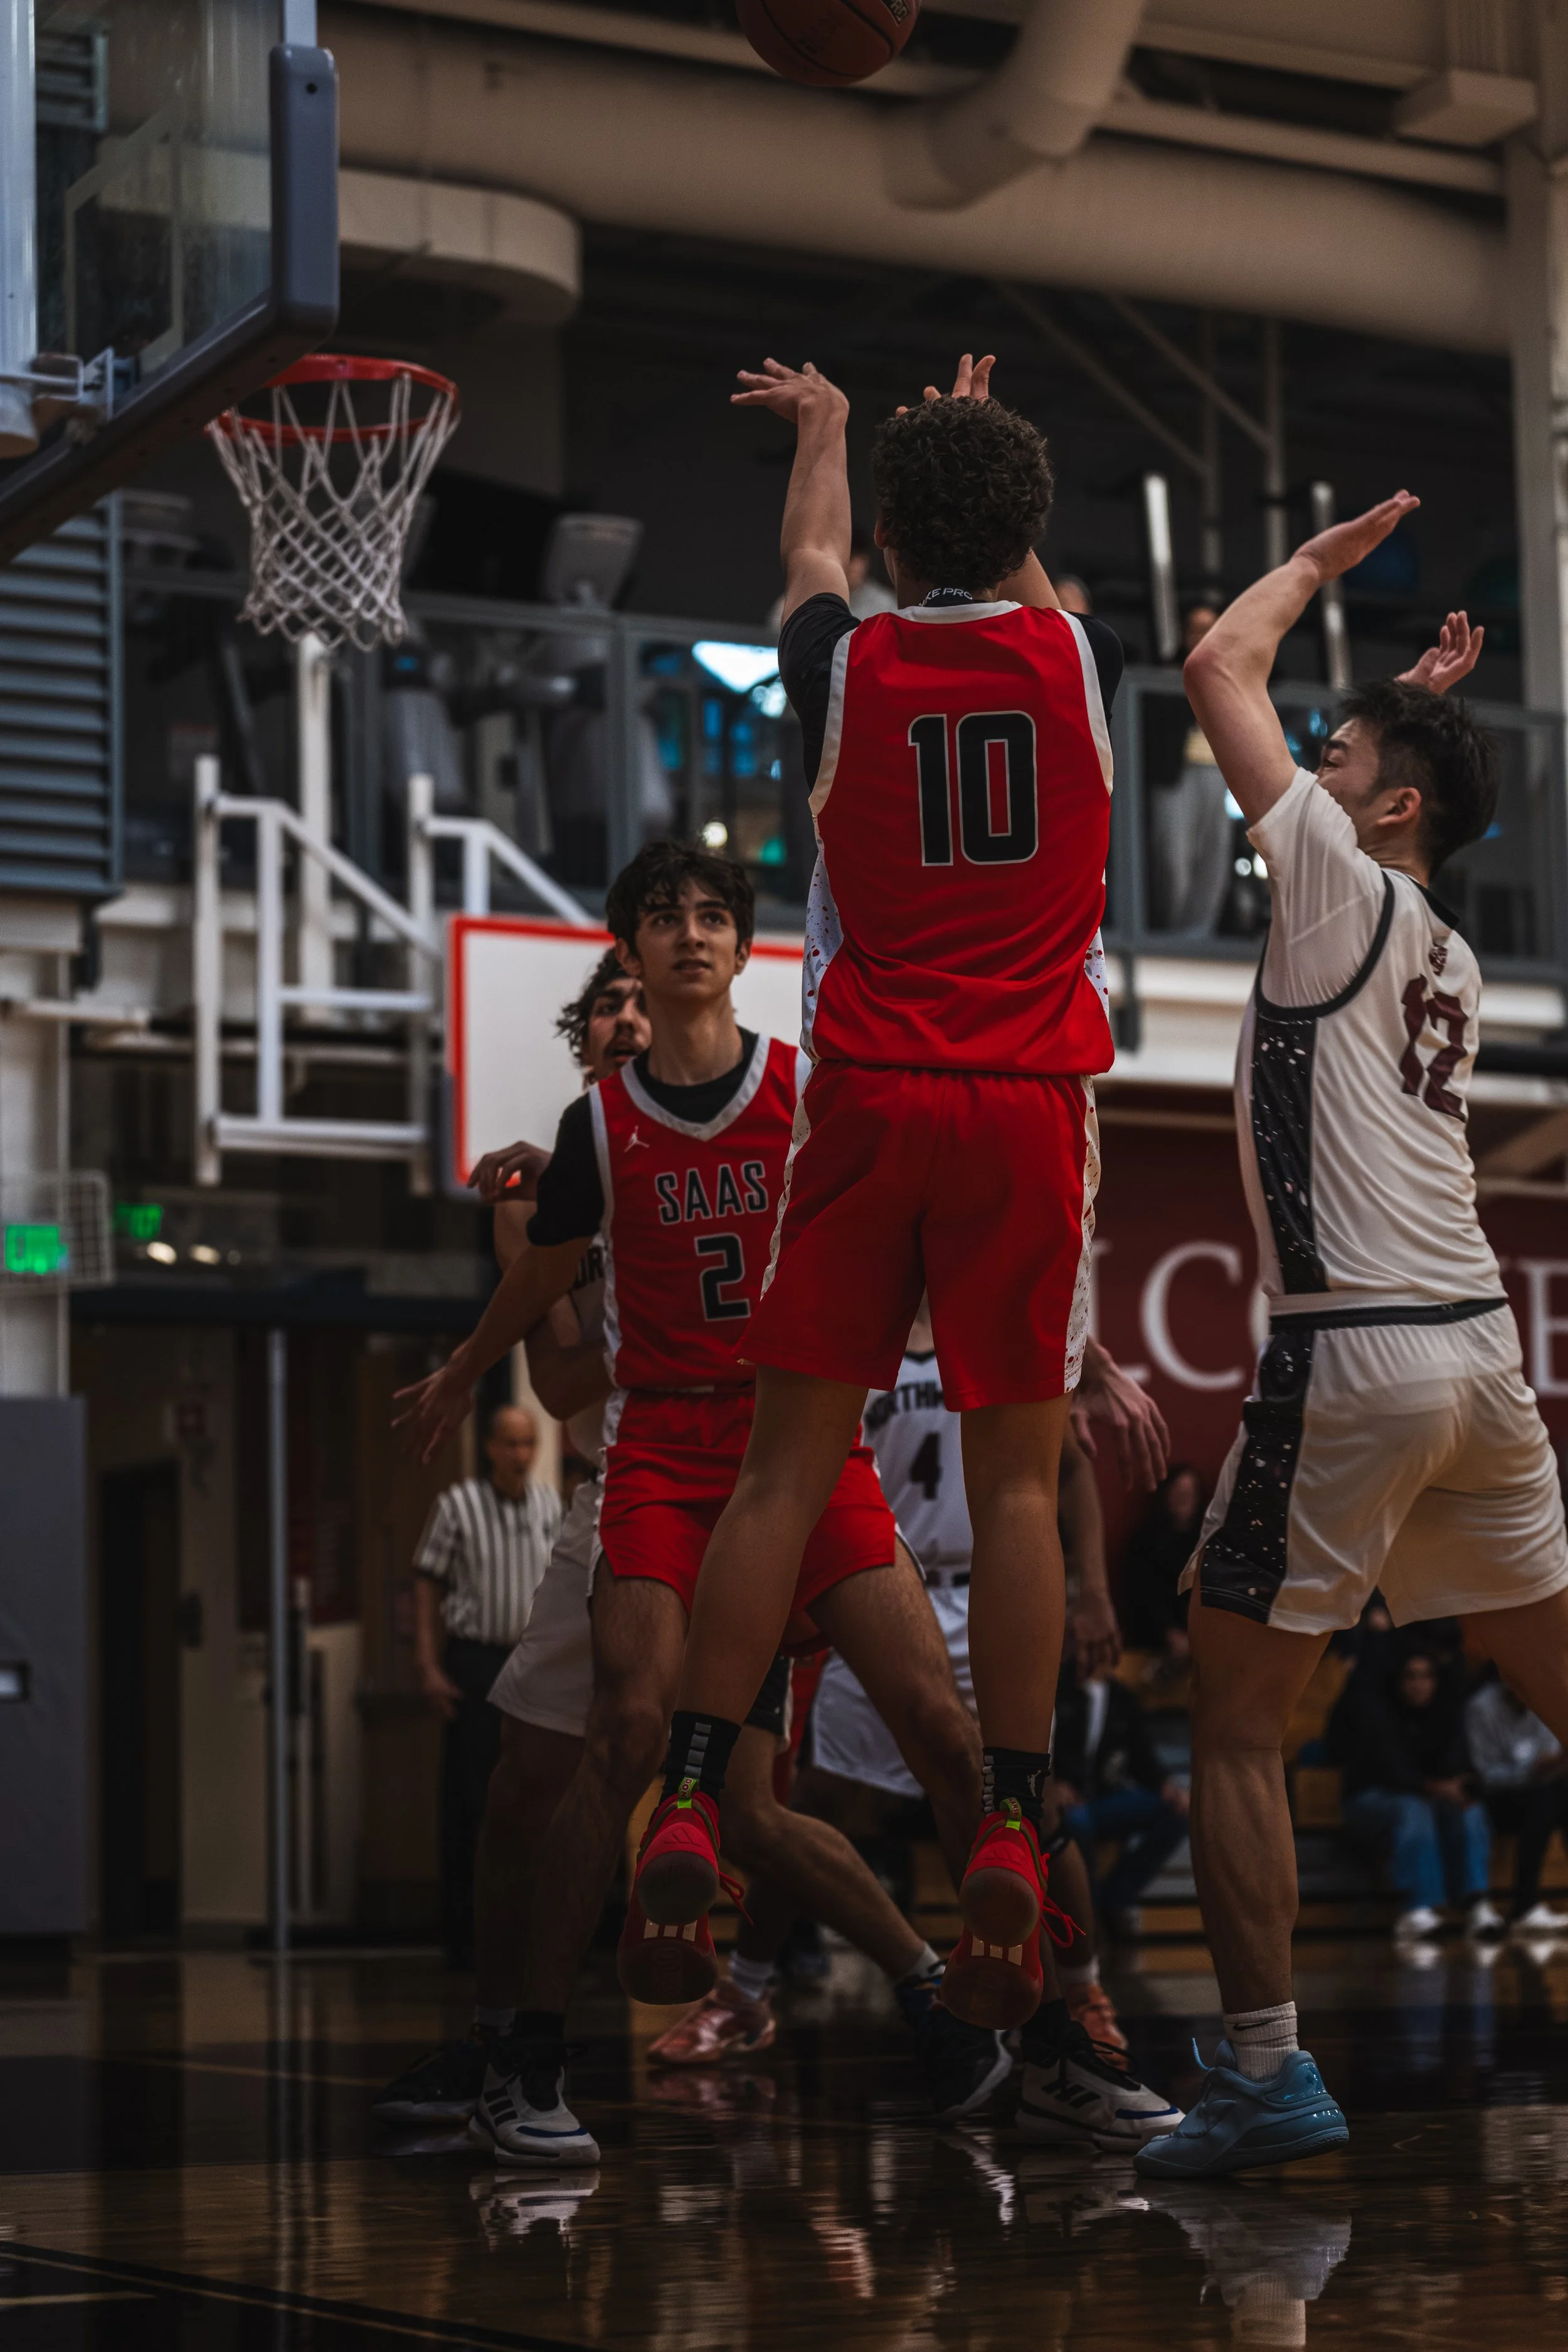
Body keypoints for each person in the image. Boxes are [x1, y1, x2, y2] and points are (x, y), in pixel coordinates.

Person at [630, 350, 1124, 2076]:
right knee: (1011, 1484)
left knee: (784, 1463)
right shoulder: (1077, 658)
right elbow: (1013, 570)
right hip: (1024, 1105)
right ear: (1031, 538)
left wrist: (838, 436)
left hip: (866, 1090)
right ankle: (1011, 1823)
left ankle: (691, 1790)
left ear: (903, 543)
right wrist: (968, 464)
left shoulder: (844, 668)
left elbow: (811, 567)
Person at [394, 841, 1033, 2164]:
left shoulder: (812, 1093)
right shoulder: (596, 1131)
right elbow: (553, 1311)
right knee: (624, 1737)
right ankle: (525, 2051)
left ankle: (1025, 2009)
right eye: (661, 919)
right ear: (626, 951)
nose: (687, 936)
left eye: (710, 916)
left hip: (804, 1450)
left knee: (940, 1729)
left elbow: (926, 1215)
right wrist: (465, 1363)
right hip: (667, 1464)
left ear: (747, 948)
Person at [1135, 500, 1568, 2183]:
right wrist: (1399, 714)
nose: (1299, 759)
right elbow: (1374, 785)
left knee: (1232, 1722)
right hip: (1477, 1355)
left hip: (1359, 1347)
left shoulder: (1326, 875)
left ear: (1380, 805)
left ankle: (1260, 2074)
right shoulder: (1441, 935)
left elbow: (1209, 658)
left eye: (1335, 749)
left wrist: (1311, 568)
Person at [652, 1304, 1185, 2158]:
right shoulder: (858, 1324)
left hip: (994, 1587)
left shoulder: (992, 1321)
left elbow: (1075, 1468)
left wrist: (1091, 1587)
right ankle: (745, 1992)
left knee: (1022, 1803)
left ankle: (1079, 1994)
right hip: (885, 1582)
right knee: (813, 1798)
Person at [413, 1403, 561, 1968]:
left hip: (533, 1663)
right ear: (491, 1449)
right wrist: (428, 1665)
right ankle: (464, 1940)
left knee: (537, 1798)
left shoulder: (552, 1506)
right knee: (472, 1800)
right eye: (511, 1444)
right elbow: (427, 1582)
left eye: (529, 1444)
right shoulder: (457, 1506)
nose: (521, 1455)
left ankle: (530, 1933)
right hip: (474, 1660)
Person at [1331, 1645, 1498, 1942]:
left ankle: (1477, 1905)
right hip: (1370, 1801)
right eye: (1411, 1676)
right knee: (1413, 1809)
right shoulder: (1379, 1713)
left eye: (1426, 1676)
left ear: (1436, 1680)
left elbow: (1454, 1767)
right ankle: (1417, 1908)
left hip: (1426, 1801)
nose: (1419, 1683)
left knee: (1469, 1808)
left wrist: (1455, 1788)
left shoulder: (1446, 1713)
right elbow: (1392, 1773)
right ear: (1399, 1680)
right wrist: (1440, 1787)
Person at [1052, 1654, 1192, 1932]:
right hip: (1064, 1800)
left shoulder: (1123, 1698)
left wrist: (1166, 1784)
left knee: (1178, 1813)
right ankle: (1085, 1918)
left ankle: (1115, 1898)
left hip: (1106, 1797)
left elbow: (1141, 1757)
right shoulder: (1057, 1688)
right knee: (1078, 1823)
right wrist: (1050, 1783)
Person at [1146, 600, 1232, 935]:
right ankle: (1171, 932)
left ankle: (1199, 934)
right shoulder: (1169, 671)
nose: (1204, 637)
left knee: (1214, 858)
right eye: (1197, 630)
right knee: (1172, 856)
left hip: (1218, 776)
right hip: (1176, 774)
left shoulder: (1230, 670)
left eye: (1211, 630)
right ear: (1185, 634)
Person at [1465, 1669, 1568, 1933]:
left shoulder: (1545, 1703)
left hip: (1544, 1794)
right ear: (1507, 1684)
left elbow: (1553, 1760)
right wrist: (1533, 1771)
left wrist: (1553, 1766)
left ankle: (1526, 1905)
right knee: (1546, 1798)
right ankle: (1524, 1904)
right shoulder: (1481, 1709)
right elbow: (1487, 1776)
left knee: (1557, 1795)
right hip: (1496, 1799)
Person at [1119, 1465, 1205, 1665]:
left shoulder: (1208, 1544)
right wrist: (1169, 1633)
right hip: (1152, 1643)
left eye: (1190, 1494)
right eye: (1179, 1493)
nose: (1184, 1500)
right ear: (1166, 1496)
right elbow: (1143, 1593)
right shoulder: (1145, 1541)